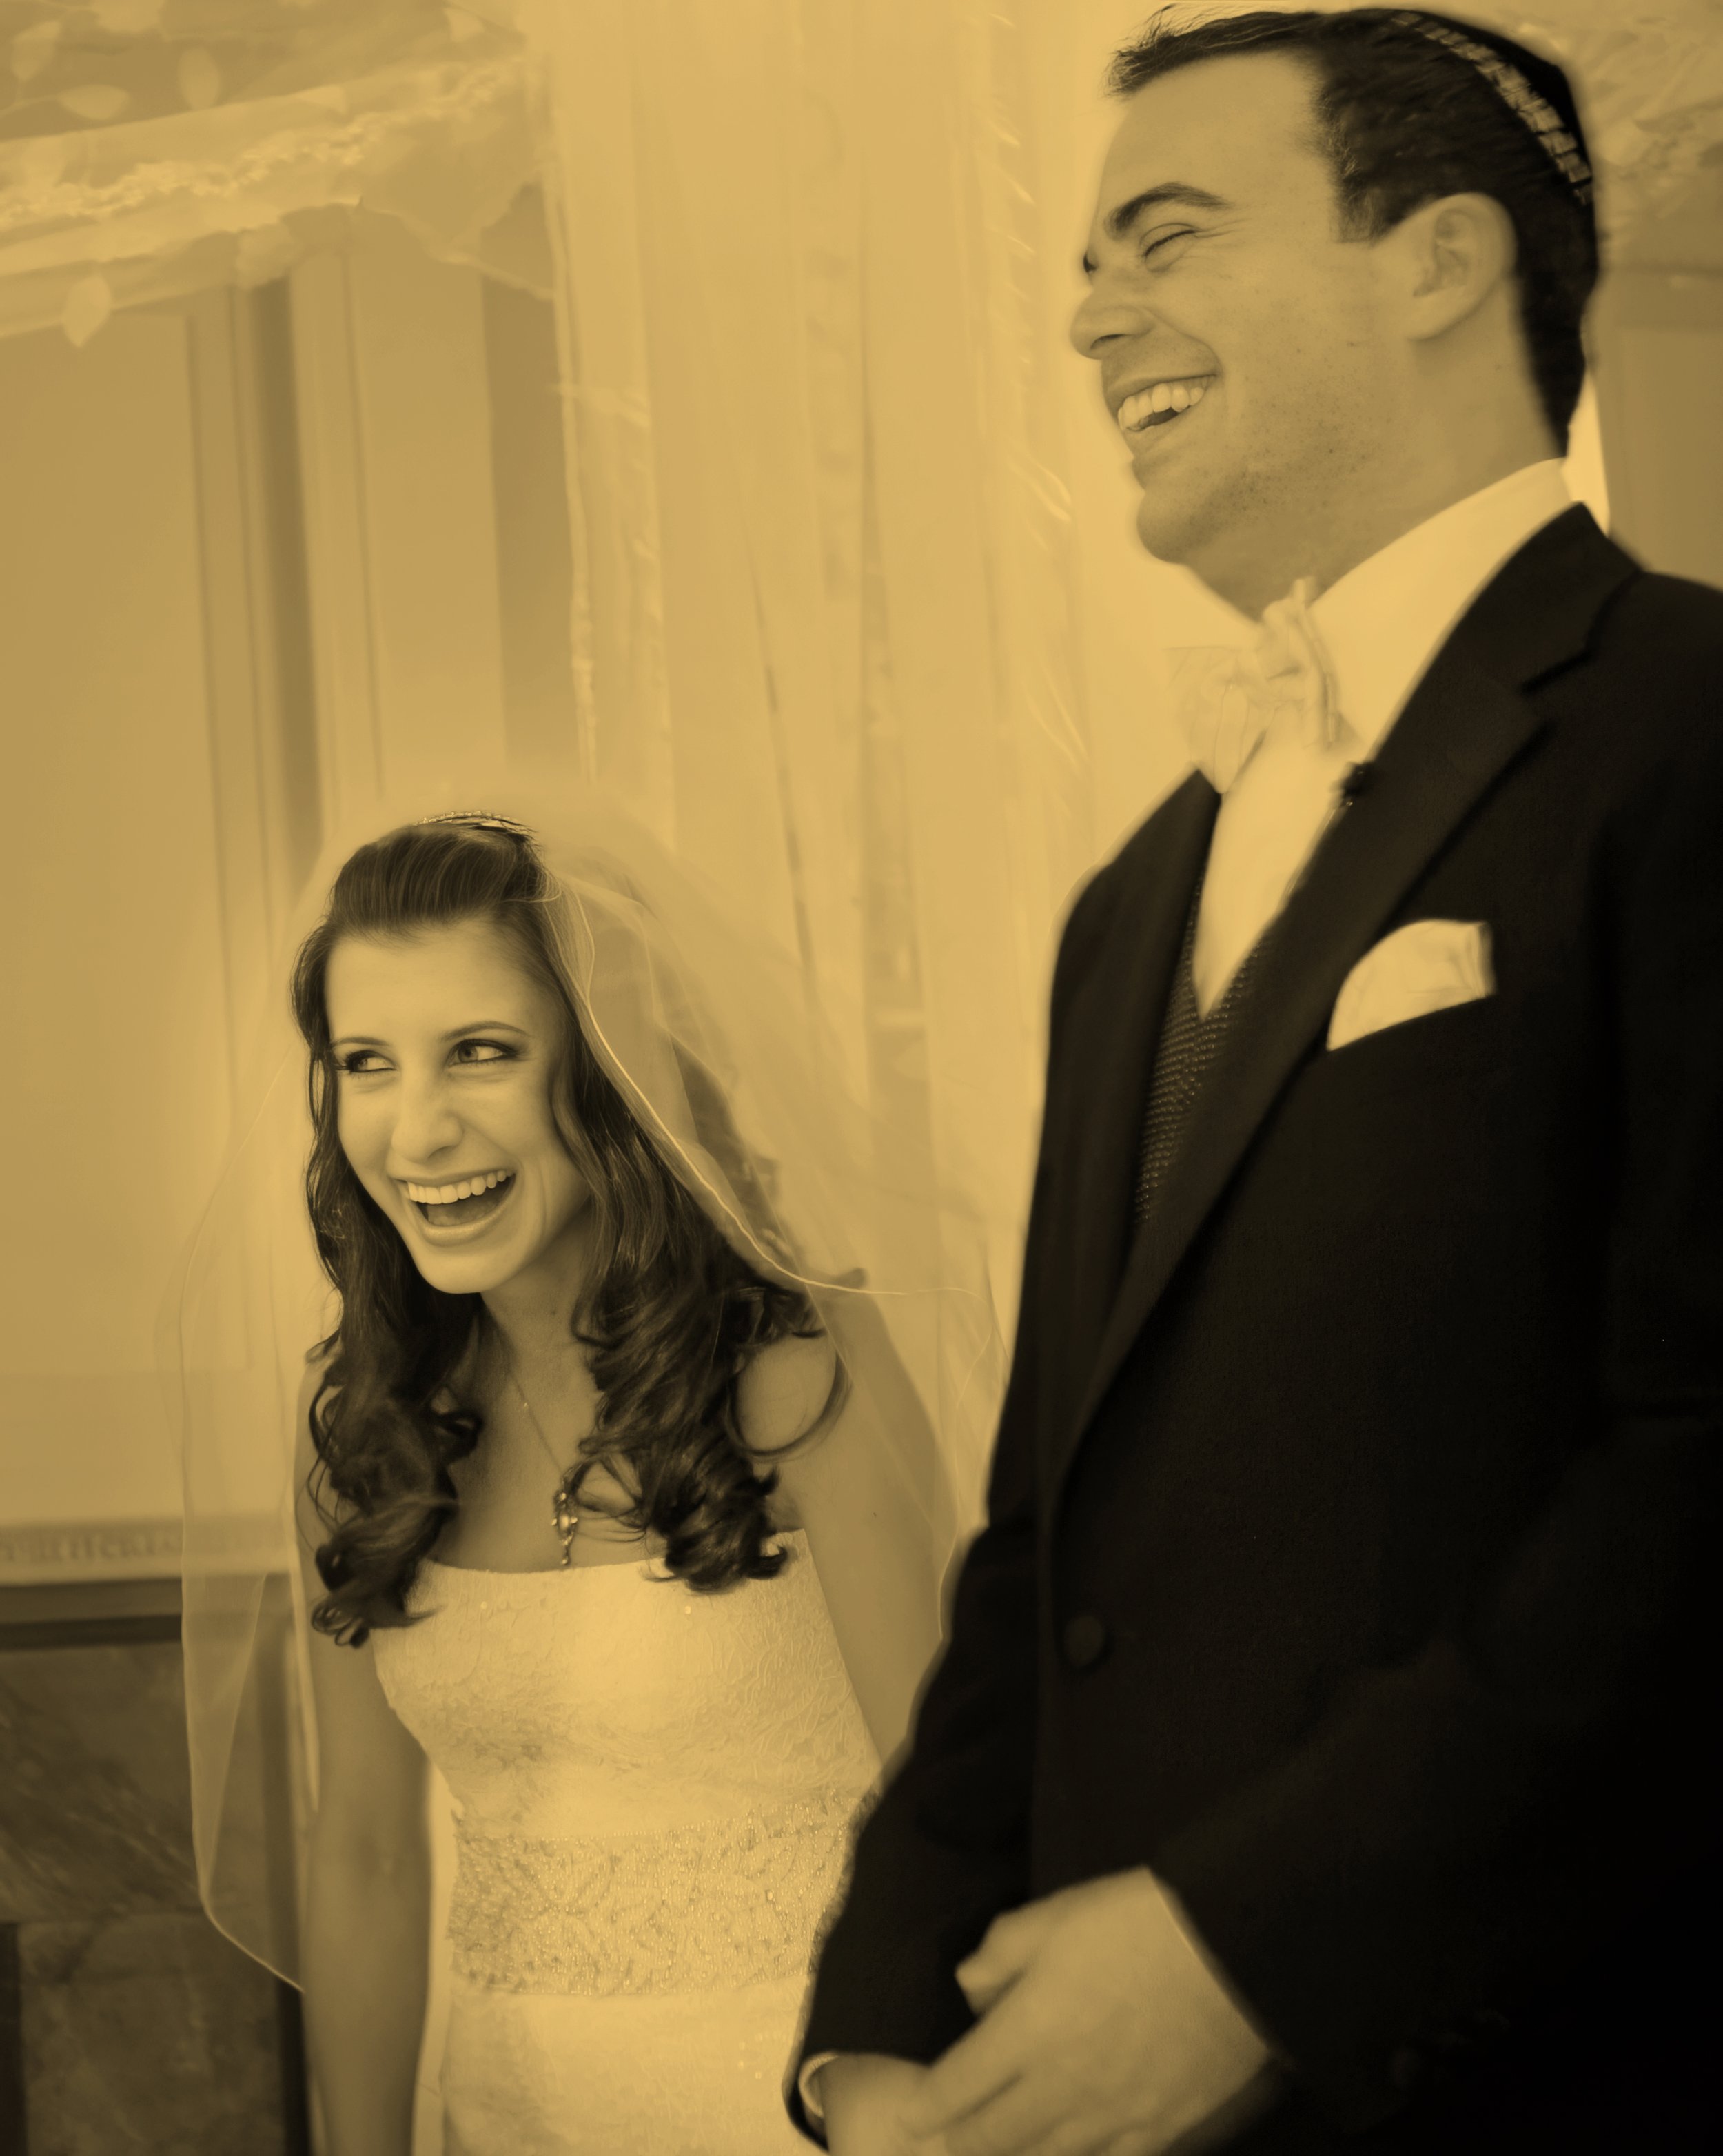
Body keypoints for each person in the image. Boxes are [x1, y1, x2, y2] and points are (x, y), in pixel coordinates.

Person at [793, 10, 1721, 2154]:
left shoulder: (1682, 725)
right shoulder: (1138, 898)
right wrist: (878, 2052)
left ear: (1439, 260)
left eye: (1168, 233)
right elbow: (1050, 1546)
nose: (1087, 310)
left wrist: (1249, 1945)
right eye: (1093, 258)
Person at [169, 797, 999, 2156]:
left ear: (611, 1072)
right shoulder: (362, 1442)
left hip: (812, 2115)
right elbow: (368, 1858)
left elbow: (946, 1791)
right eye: (366, 1062)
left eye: (480, 1053)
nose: (417, 1129)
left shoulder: (797, 1372)